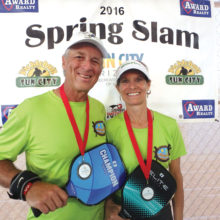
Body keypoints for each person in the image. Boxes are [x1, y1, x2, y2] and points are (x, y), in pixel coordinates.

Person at [0, 32, 108, 220]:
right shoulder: (32, 108)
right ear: (64, 62)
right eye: (79, 57)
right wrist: (27, 186)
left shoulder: (99, 109)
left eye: (95, 61)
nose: (87, 66)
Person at [105, 60, 187, 220]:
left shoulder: (169, 125)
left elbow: (176, 175)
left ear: (148, 85)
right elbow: (106, 175)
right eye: (125, 81)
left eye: (138, 79)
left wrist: (178, 218)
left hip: (159, 209)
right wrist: (109, 207)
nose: (132, 86)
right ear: (118, 88)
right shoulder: (110, 128)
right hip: (123, 211)